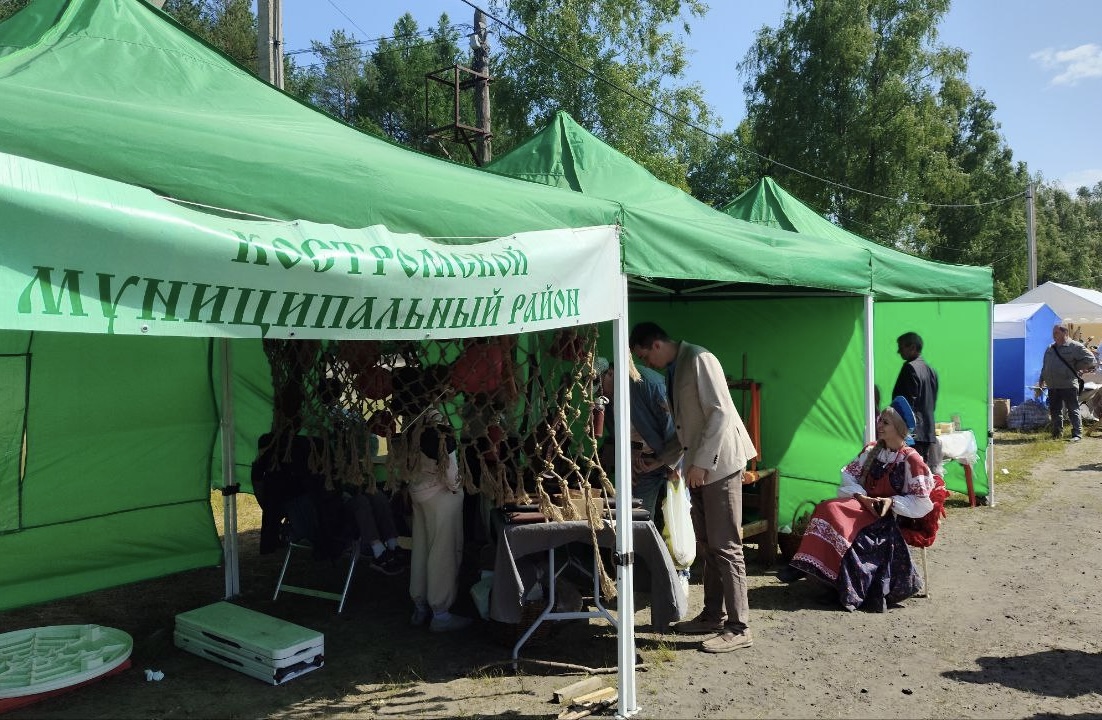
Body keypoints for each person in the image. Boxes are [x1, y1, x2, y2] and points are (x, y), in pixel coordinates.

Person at [629, 322, 756, 653]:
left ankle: (740, 627)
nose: (647, 364)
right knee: (708, 544)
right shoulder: (675, 368)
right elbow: (685, 430)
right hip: (700, 467)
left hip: (720, 465)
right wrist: (660, 461)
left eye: (645, 356)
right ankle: (713, 615)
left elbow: (720, 413)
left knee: (726, 546)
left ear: (656, 345)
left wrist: (702, 463)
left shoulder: (700, 359)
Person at [779, 396, 934, 612]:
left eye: (885, 423)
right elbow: (848, 478)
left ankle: (821, 576)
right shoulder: (872, 450)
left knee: (834, 514)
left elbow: (922, 503)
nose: (879, 425)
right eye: (880, 421)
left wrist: (890, 502)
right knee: (826, 507)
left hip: (886, 517)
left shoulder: (911, 460)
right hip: (862, 505)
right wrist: (863, 497)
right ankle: (806, 564)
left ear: (899, 428)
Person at [390, 365, 471, 632]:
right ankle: (441, 614)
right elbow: (448, 466)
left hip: (419, 491)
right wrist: (457, 487)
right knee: (442, 554)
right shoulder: (434, 421)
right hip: (440, 495)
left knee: (422, 551)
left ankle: (420, 606)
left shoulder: (409, 420)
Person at [594, 356, 677, 526]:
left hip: (676, 456)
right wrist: (629, 462)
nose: (599, 393)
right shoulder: (605, 400)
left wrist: (668, 463)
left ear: (610, 373)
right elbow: (620, 435)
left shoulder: (648, 385)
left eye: (599, 386)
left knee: (680, 519)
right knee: (639, 519)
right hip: (643, 464)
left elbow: (675, 429)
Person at [1039, 322, 1097, 442]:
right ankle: (1057, 434)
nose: (1053, 335)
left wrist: (1076, 366)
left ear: (1065, 332)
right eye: (1053, 333)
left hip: (1068, 384)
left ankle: (1077, 434)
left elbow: (1091, 360)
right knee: (1055, 410)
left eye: (1056, 332)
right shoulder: (1050, 348)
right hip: (1053, 385)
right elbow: (1045, 365)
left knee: (1072, 409)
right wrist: (1041, 378)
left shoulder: (1074, 346)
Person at [892, 332, 939, 465]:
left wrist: (899, 429)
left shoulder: (910, 368)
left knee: (910, 471)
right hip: (927, 432)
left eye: (901, 348)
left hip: (912, 433)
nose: (898, 352)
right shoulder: (931, 371)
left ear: (912, 347)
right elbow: (932, 403)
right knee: (921, 471)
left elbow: (905, 404)